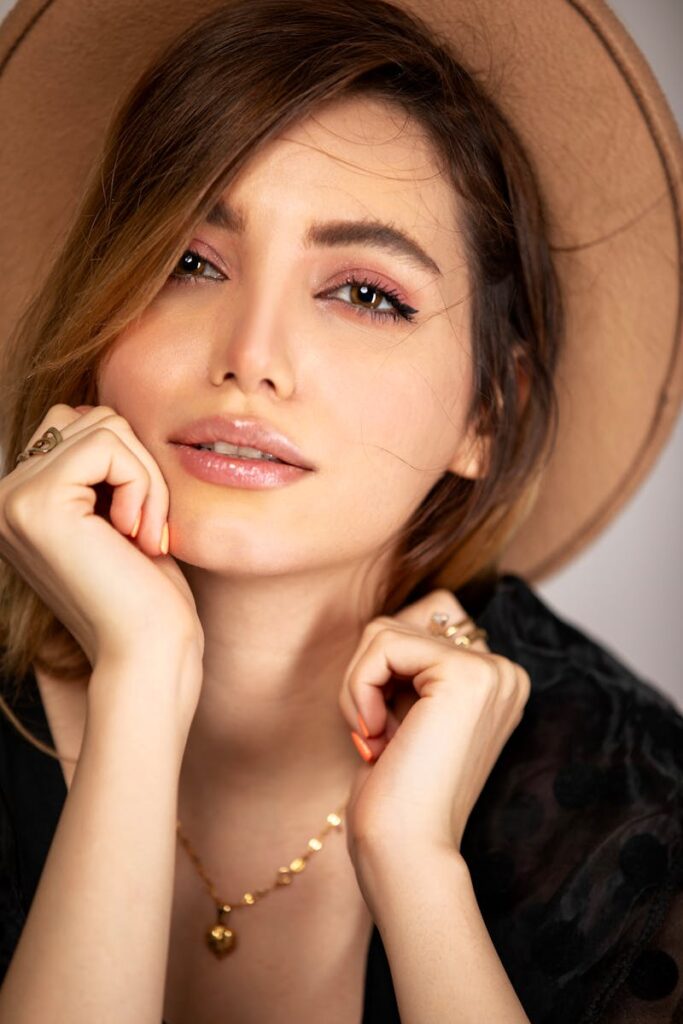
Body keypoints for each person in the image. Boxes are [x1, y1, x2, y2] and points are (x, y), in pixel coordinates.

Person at [0, 0, 681, 1021]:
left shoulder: (631, 807)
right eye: (189, 260)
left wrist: (415, 869)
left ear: (489, 413)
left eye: (364, 293)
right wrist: (142, 681)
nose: (252, 356)